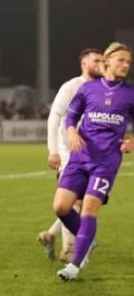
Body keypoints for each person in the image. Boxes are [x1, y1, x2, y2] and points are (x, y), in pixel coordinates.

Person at [53, 42, 134, 281]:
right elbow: (72, 115)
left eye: (128, 62)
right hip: (80, 158)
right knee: (61, 207)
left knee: (89, 208)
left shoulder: (130, 93)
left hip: (106, 161)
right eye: (121, 60)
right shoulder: (88, 89)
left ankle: (75, 265)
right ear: (107, 61)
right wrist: (71, 132)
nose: (126, 65)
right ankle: (86, 240)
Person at [38, 48, 103, 262]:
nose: (101, 63)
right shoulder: (71, 86)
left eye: (103, 60)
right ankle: (68, 251)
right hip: (68, 153)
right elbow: (54, 118)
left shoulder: (101, 89)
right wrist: (53, 150)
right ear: (84, 64)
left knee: (83, 204)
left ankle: (50, 235)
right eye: (96, 60)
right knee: (75, 203)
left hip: (90, 155)